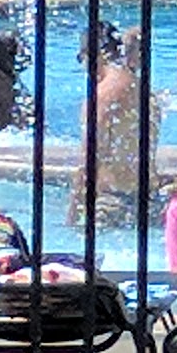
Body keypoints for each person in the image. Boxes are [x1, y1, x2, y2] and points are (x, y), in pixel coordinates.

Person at [68, 25, 160, 226]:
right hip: (150, 201)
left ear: (91, 54)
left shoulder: (102, 96)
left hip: (111, 205)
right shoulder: (143, 89)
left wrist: (72, 213)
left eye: (81, 58)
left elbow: (89, 159)